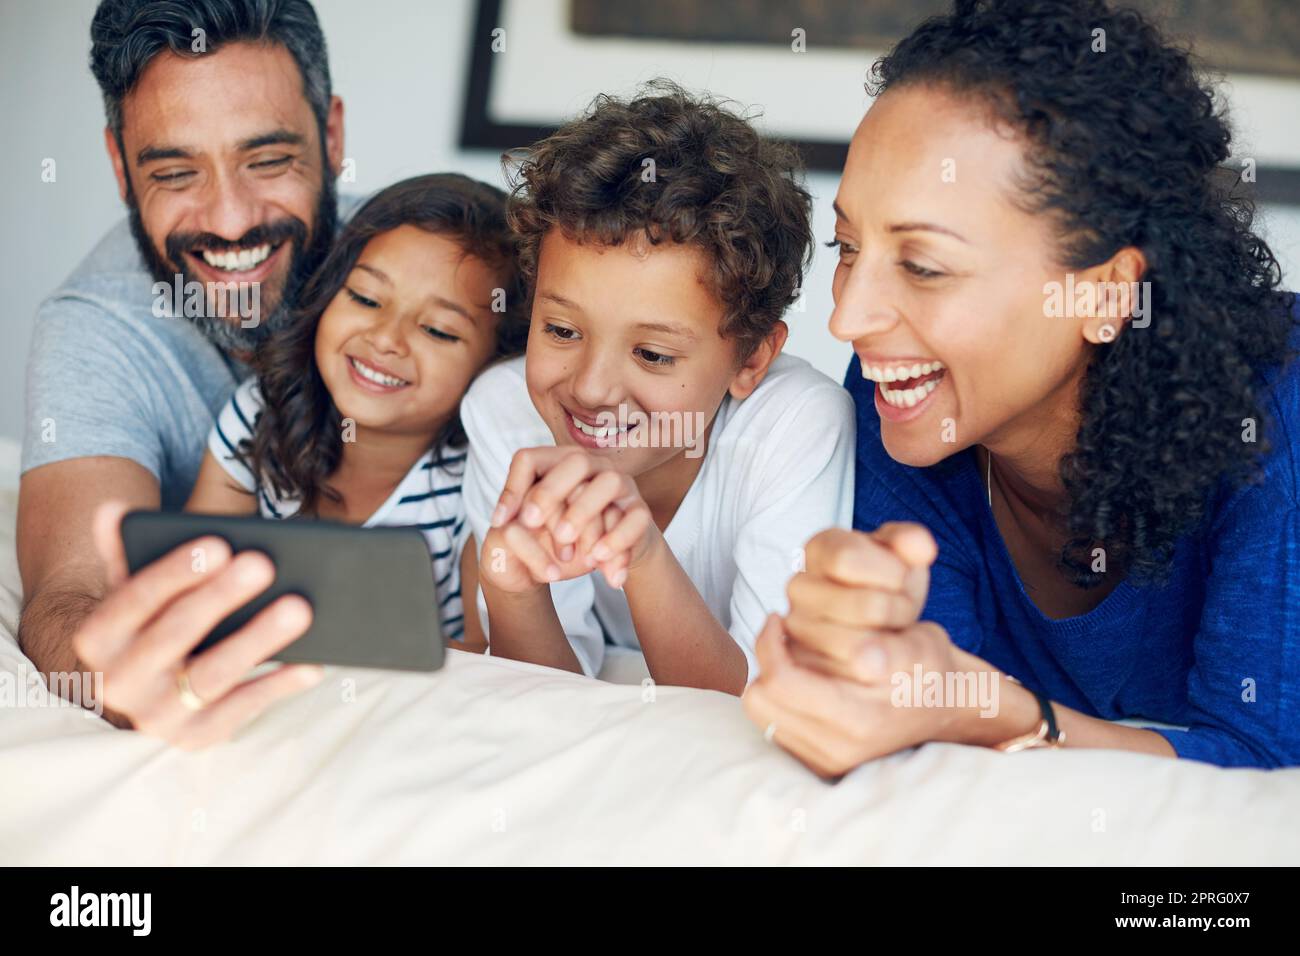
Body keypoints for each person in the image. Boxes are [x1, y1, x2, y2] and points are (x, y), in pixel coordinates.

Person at [744, 0, 1300, 772]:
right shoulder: (904, 394)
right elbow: (925, 716)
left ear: (1104, 294)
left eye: (923, 266)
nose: (849, 319)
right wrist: (854, 667)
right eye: (847, 247)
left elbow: (1268, 772)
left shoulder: (1278, 412)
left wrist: (1008, 715)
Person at [18, 0, 356, 746]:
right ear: (119, 166)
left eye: (268, 160)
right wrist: (118, 674)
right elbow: (70, 594)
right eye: (175, 172)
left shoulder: (432, 266)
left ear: (331, 136)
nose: (231, 221)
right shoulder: (92, 328)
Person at [460, 82, 856, 694]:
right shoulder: (503, 410)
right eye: (562, 329)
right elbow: (540, 699)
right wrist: (512, 588)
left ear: (750, 359)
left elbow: (760, 705)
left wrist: (642, 556)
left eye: (652, 353)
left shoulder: (798, 424)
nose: (590, 389)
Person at [188, 173, 529, 649]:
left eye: (438, 330)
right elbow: (192, 578)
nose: (386, 339)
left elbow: (485, 654)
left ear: (493, 364)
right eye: (366, 299)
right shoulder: (259, 412)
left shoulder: (479, 476)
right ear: (327, 293)